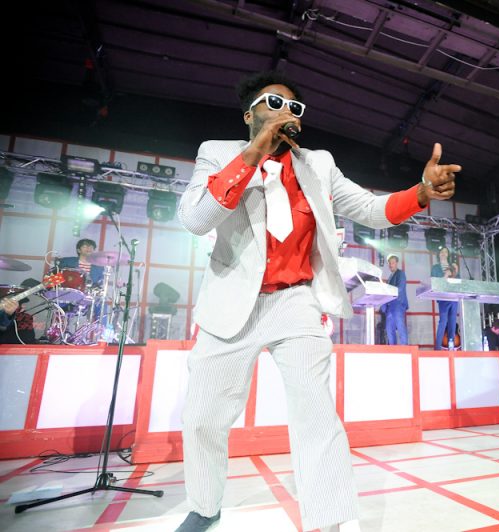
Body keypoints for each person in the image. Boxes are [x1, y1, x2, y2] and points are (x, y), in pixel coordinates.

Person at [175, 71, 460, 532]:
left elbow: (370, 209)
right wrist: (253, 154)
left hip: (296, 302)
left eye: (294, 107)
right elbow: (194, 219)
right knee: (204, 417)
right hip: (231, 301)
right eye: (273, 102)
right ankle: (205, 506)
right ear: (249, 115)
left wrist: (422, 192)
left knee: (316, 413)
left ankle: (330, 520)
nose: (286, 111)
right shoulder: (217, 153)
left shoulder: (318, 163)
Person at [431, 246, 459, 350]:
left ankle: (451, 347)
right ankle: (437, 348)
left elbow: (458, 281)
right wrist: (446, 275)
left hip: (454, 296)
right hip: (443, 297)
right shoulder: (435, 268)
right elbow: (435, 283)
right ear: (439, 254)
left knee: (452, 322)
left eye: (445, 252)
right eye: (441, 252)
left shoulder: (453, 266)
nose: (443, 253)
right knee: (443, 321)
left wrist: (456, 271)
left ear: (448, 254)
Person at [380, 254, 408, 345]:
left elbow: (400, 288)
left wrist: (387, 288)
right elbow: (386, 294)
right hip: (390, 307)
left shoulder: (400, 273)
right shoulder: (389, 278)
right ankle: (393, 349)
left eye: (392, 262)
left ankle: (405, 349)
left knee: (400, 327)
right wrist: (384, 306)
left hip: (398, 304)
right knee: (389, 330)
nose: (391, 265)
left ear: (396, 263)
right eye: (389, 263)